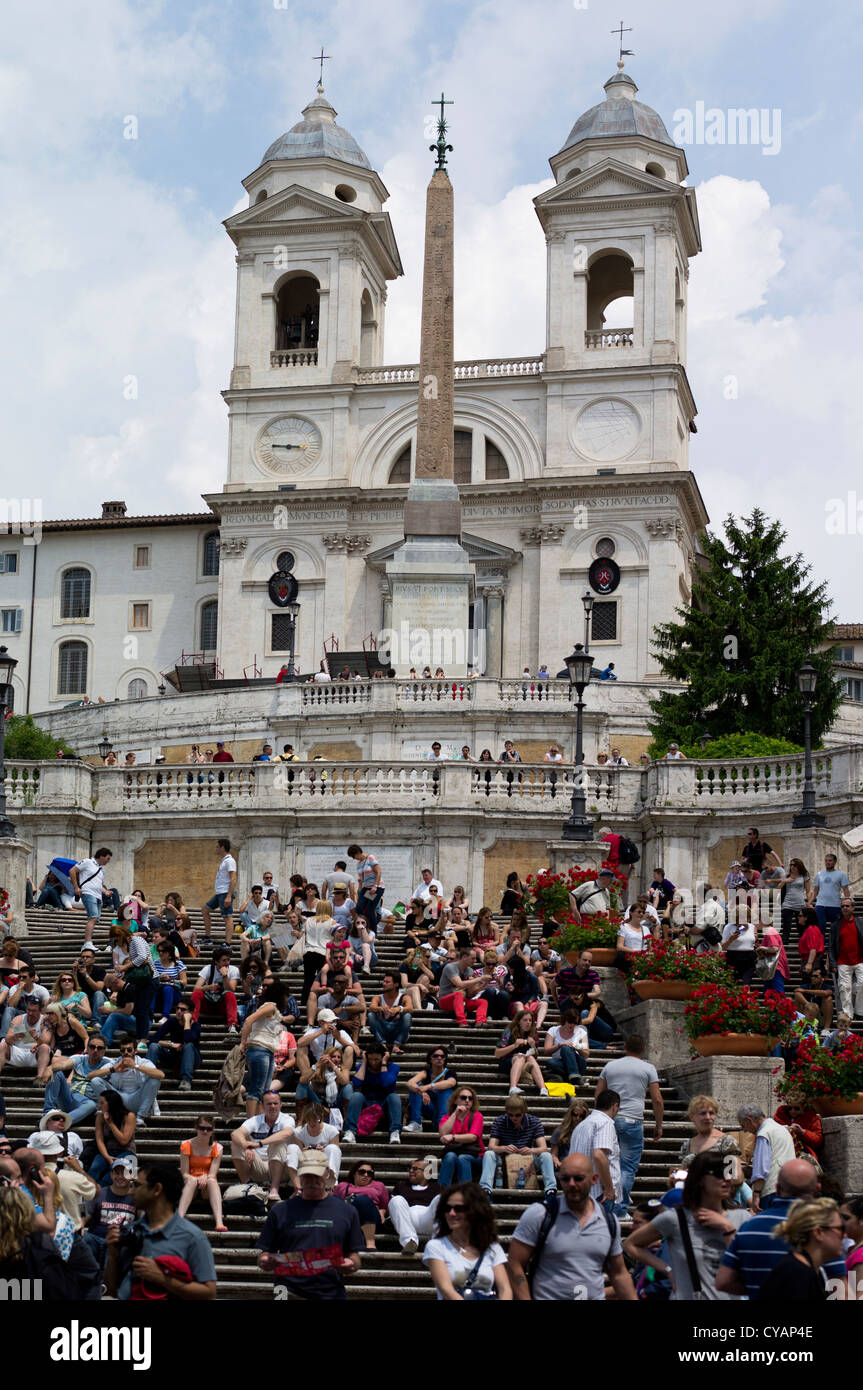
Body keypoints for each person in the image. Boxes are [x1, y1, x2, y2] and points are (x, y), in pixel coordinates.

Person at [508, 1152, 637, 1301]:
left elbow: (618, 1273)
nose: (571, 1184)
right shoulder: (539, 1215)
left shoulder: (608, 1222)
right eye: (565, 1179)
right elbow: (515, 1263)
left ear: (594, 1179)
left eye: (578, 1178)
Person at [624, 1152, 749, 1300]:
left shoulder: (742, 1218)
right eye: (718, 1174)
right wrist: (668, 1269)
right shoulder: (676, 1219)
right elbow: (630, 1244)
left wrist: (728, 1228)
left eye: (729, 1174)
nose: (727, 1180)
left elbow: (747, 1268)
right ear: (700, 1179)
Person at [715, 1159, 844, 1298]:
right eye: (841, 1229)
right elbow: (841, 1290)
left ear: (777, 1189)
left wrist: (765, 1290)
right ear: (817, 1189)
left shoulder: (748, 1227)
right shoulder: (822, 1229)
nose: (844, 1235)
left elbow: (723, 1281)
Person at [257, 1149, 363, 1301]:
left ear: (326, 1173)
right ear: (299, 1174)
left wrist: (351, 1263)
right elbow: (264, 1252)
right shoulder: (280, 1211)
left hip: (330, 1290)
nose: (311, 1181)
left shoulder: (347, 1211)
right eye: (307, 1176)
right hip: (286, 1289)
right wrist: (265, 1261)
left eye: (316, 1176)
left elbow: (354, 1256)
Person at [105, 1161, 218, 1300]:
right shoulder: (132, 1231)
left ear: (157, 1189)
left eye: (137, 1186)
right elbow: (112, 1290)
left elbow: (209, 1292)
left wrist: (162, 1278)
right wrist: (113, 1256)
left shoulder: (192, 1237)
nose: (130, 1191)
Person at [595, 1035, 663, 1210]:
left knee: (609, 1164)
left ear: (625, 1047)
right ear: (644, 1049)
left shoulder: (610, 1066)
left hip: (609, 1120)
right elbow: (657, 1100)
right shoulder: (648, 1068)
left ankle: (606, 1204)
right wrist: (658, 1124)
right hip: (633, 1121)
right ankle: (619, 1208)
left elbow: (598, 1095)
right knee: (626, 1168)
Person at [423, 1182, 511, 1300]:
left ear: (475, 1211)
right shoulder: (436, 1246)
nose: (451, 1213)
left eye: (458, 1208)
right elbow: (446, 1289)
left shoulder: (492, 1247)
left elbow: (505, 1288)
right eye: (447, 1208)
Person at [754, 1198, 845, 1301]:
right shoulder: (797, 1276)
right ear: (818, 1232)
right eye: (840, 1229)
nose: (845, 1235)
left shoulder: (808, 1269)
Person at [479, 1092, 556, 1197]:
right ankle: (485, 1189)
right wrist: (504, 1148)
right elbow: (491, 1147)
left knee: (546, 1156)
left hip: (528, 1160)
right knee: (489, 1154)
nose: (514, 1118)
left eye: (517, 1115)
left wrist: (531, 1150)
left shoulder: (534, 1122)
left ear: (524, 1112)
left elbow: (543, 1148)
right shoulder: (499, 1121)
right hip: (505, 1159)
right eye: (510, 1115)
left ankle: (550, 1189)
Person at [230, 1090, 295, 1201]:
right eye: (269, 1104)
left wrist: (259, 1143)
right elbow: (235, 1133)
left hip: (282, 1168)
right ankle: (247, 1185)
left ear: (281, 1105)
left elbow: (286, 1133)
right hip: (260, 1166)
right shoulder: (255, 1120)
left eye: (275, 1103)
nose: (272, 1106)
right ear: (262, 1105)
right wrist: (246, 1146)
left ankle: (275, 1189)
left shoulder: (287, 1119)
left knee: (277, 1142)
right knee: (236, 1145)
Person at [570, 1091, 624, 1215]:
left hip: (581, 1192)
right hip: (600, 1194)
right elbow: (599, 1155)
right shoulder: (605, 1123)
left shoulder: (581, 1125)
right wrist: (609, 1189)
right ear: (615, 1106)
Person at [737, 1102, 796, 1212]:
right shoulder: (782, 1129)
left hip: (771, 1191)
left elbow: (761, 1168)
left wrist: (756, 1194)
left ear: (749, 1120)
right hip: (789, 1188)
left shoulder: (764, 1134)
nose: (744, 1130)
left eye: (743, 1125)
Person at [82, 1157, 138, 1272]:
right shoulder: (100, 1193)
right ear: (111, 1175)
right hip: (96, 1239)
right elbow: (82, 1213)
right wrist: (80, 1225)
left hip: (120, 1241)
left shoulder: (137, 1197)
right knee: (84, 1239)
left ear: (132, 1175)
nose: (120, 1177)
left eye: (125, 1173)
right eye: (116, 1173)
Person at [342, 1045, 402, 1146]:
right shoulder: (362, 1067)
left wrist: (383, 1064)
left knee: (394, 1097)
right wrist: (364, 1063)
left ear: (383, 1057)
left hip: (384, 1104)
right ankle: (351, 1131)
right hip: (367, 1103)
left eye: (376, 1059)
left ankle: (395, 1131)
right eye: (370, 1059)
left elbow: (386, 1083)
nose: (373, 1062)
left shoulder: (393, 1067)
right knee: (357, 1095)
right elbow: (356, 1083)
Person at [178, 1116, 226, 1232]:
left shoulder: (217, 1147)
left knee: (212, 1181)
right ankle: (178, 1218)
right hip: (190, 1184)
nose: (205, 1131)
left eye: (208, 1129)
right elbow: (184, 1173)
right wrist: (197, 1177)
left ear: (213, 1130)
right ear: (196, 1128)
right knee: (191, 1180)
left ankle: (219, 1222)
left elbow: (213, 1173)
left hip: (207, 1186)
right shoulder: (186, 1144)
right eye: (202, 1128)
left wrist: (205, 1176)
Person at [284, 1102, 342, 1193]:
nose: (312, 1123)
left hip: (324, 1163)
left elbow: (336, 1153)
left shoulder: (331, 1130)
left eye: (315, 1119)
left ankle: (330, 1184)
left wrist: (323, 1151)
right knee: (292, 1148)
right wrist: (304, 1151)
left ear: (321, 1116)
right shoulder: (299, 1132)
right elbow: (297, 1152)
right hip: (306, 1161)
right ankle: (297, 1186)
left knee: (333, 1148)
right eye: (309, 1120)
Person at [388, 1159, 441, 1255]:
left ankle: (438, 1243)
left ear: (427, 1172)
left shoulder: (437, 1187)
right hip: (407, 1220)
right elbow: (393, 1208)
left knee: (442, 1198)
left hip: (428, 1219)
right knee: (396, 1200)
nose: (411, 1171)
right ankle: (410, 1241)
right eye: (410, 1168)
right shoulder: (401, 1185)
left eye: (415, 1168)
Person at [147, 998, 202, 1091]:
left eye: (183, 1010)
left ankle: (186, 1080)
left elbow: (188, 1039)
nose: (179, 1011)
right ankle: (145, 1075)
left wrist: (187, 1021)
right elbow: (152, 1040)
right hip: (174, 1057)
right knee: (154, 1046)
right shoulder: (172, 1022)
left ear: (190, 1013)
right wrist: (171, 1045)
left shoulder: (196, 1026)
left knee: (189, 1046)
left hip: (192, 1059)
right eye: (177, 1008)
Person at [105, 1037, 164, 1122]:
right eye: (123, 1050)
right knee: (96, 1081)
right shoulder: (115, 1063)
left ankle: (140, 1117)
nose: (126, 1053)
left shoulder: (143, 1062)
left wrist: (136, 1066)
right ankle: (112, 1113)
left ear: (135, 1051)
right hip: (120, 1099)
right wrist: (113, 1069)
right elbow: (91, 1076)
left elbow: (161, 1075)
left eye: (129, 1050)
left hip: (139, 1099)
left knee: (154, 1080)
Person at [334, 1161, 389, 1249]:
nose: (366, 1175)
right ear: (354, 1173)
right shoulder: (342, 1186)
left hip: (372, 1218)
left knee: (363, 1200)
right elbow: (334, 1204)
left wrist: (382, 1213)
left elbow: (383, 1205)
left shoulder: (379, 1185)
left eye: (369, 1173)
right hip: (350, 1216)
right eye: (362, 1172)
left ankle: (370, 1244)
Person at [0, 993, 53, 1083]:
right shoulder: (18, 1019)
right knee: (2, 1045)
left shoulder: (45, 1021)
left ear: (40, 1011)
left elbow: (47, 1041)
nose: (30, 1013)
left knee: (44, 1047)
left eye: (34, 1011)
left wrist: (37, 1038)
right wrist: (16, 1036)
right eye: (28, 1010)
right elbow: (8, 1039)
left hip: (35, 1055)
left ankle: (39, 1077)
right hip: (17, 1053)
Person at [677, 1095, 742, 1169]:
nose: (708, 1117)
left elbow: (733, 1174)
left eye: (711, 1113)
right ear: (692, 1117)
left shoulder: (726, 1142)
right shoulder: (687, 1145)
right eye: (703, 1113)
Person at [439, 1086, 484, 1186]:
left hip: (475, 1156)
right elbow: (443, 1134)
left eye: (470, 1098)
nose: (467, 1100)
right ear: (455, 1100)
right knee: (450, 1156)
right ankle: (442, 1192)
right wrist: (455, 1113)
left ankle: (466, 1193)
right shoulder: (447, 1117)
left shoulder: (477, 1115)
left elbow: (473, 1137)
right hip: (454, 1152)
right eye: (463, 1098)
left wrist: (453, 1137)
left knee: (463, 1158)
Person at [495, 1010, 548, 1095]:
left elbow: (536, 1055)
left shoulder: (533, 1032)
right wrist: (514, 1045)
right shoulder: (509, 1031)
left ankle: (543, 1088)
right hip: (507, 1063)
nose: (528, 1023)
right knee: (520, 1057)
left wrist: (533, 1046)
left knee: (530, 1057)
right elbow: (497, 1053)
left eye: (530, 1020)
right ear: (519, 1022)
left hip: (526, 1063)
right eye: (525, 1020)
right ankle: (513, 1087)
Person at [405, 1046, 458, 1132]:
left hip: (445, 1110)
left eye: (442, 1056)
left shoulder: (449, 1073)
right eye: (435, 1056)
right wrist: (421, 1092)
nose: (439, 1058)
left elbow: (451, 1082)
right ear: (430, 1059)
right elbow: (409, 1083)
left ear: (445, 1059)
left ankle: (442, 1124)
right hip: (430, 1108)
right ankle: (416, 1123)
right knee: (415, 1088)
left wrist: (428, 1086)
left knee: (446, 1090)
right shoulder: (426, 1072)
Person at [90, 1089, 137, 1183]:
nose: (100, 1106)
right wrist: (107, 1156)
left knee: (110, 1177)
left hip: (127, 1152)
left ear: (111, 1103)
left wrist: (110, 1123)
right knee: (93, 1171)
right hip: (107, 1151)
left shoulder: (129, 1116)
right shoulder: (100, 1117)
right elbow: (99, 1139)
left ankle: (100, 1193)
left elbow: (124, 1141)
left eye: (102, 1103)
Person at [438, 947, 489, 1028]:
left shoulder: (470, 971)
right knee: (458, 994)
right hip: (445, 1000)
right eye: (473, 958)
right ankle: (462, 1022)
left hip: (461, 1001)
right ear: (464, 957)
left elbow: (472, 992)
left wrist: (485, 983)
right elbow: (460, 984)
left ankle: (480, 1022)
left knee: (483, 1002)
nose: (475, 961)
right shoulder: (450, 967)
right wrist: (480, 978)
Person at [830, 897, 863, 1019]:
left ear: (853, 908)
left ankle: (860, 1011)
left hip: (860, 960)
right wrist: (833, 963)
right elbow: (831, 946)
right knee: (844, 988)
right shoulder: (836, 925)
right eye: (842, 906)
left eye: (847, 906)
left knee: (862, 984)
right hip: (843, 962)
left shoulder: (860, 922)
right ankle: (847, 1014)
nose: (844, 908)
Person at [191, 949, 240, 1033]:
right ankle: (192, 1023)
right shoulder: (208, 969)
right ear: (216, 961)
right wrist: (208, 987)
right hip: (208, 1003)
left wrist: (225, 976)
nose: (227, 963)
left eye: (228, 960)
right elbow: (196, 988)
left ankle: (232, 1025)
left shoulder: (233, 970)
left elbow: (232, 989)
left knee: (230, 995)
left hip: (222, 1004)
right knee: (196, 994)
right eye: (224, 960)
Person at [201, 838, 237, 947]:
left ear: (222, 847)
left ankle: (228, 943)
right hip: (220, 892)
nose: (216, 849)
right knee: (205, 909)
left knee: (227, 917)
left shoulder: (230, 861)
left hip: (225, 893)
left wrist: (229, 896)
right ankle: (207, 937)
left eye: (217, 847)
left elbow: (233, 879)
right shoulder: (224, 860)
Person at [69, 848, 113, 939]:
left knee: (95, 919)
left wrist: (106, 892)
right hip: (88, 893)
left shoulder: (101, 870)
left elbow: (100, 885)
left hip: (98, 896)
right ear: (101, 856)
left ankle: (89, 941)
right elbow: (72, 871)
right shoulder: (87, 862)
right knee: (93, 918)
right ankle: (87, 942)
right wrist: (76, 887)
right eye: (108, 858)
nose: (108, 861)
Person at [367, 972, 412, 1054]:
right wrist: (380, 1008)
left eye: (387, 982)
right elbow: (371, 1008)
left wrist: (399, 1008)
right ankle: (382, 1044)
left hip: (397, 1031)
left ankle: (396, 1045)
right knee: (370, 1015)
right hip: (382, 1030)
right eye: (384, 981)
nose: (384, 984)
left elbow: (410, 1008)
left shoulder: (404, 997)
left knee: (407, 1016)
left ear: (396, 984)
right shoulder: (378, 997)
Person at [808, 852, 849, 935]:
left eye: (830, 860)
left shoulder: (841, 874)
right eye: (826, 861)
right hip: (821, 905)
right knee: (820, 927)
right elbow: (815, 890)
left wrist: (847, 901)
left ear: (835, 862)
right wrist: (809, 902)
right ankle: (821, 946)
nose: (828, 862)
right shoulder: (819, 874)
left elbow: (845, 890)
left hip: (835, 905)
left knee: (836, 928)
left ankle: (834, 946)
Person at [773, 1096, 823, 1161]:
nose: (792, 1111)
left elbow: (818, 1141)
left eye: (796, 1108)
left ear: (803, 1107)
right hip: (782, 1150)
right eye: (789, 1108)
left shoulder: (812, 1118)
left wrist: (803, 1132)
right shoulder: (780, 1116)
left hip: (803, 1151)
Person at [348, 843, 384, 932]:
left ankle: (373, 932)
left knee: (370, 910)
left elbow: (379, 872)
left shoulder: (370, 858)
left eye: (354, 855)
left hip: (376, 887)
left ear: (358, 852)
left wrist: (375, 886)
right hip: (366, 887)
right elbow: (362, 879)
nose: (354, 858)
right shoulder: (359, 863)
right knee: (359, 908)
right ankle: (365, 927)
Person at [777, 858, 810, 945]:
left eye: (794, 865)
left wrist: (809, 903)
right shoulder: (786, 876)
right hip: (787, 903)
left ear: (799, 866)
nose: (792, 867)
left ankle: (803, 943)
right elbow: (778, 888)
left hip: (800, 904)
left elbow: (808, 891)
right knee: (786, 925)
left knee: (801, 926)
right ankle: (784, 943)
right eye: (791, 865)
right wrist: (784, 881)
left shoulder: (804, 876)